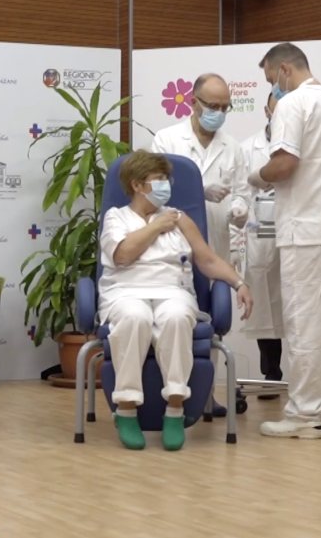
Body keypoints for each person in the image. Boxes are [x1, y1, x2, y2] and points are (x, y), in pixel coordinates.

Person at [100, 151, 253, 451]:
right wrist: (156, 226)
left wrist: (238, 282)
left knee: (177, 316)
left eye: (166, 179)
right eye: (158, 179)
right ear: (137, 185)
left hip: (173, 291)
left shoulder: (180, 219)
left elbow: (208, 260)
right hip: (125, 291)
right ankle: (126, 409)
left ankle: (175, 408)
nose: (166, 185)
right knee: (134, 317)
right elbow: (123, 255)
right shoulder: (116, 217)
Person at [248, 42, 321, 439]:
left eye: (270, 79)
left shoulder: (293, 104)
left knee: (304, 325)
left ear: (284, 70)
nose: (272, 88)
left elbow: (284, 163)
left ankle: (303, 414)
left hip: (307, 229)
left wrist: (256, 175)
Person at [151, 73, 241, 417]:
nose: (219, 113)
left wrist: (240, 210)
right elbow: (152, 190)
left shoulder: (232, 147)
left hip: (214, 241)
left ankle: (205, 395)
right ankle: (166, 393)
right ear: (193, 103)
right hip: (171, 244)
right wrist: (198, 191)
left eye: (225, 107)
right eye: (213, 106)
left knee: (212, 317)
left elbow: (242, 193)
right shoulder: (166, 139)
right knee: (171, 316)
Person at [231, 92, 283, 399]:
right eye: (278, 109)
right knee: (265, 303)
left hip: (299, 233)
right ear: (266, 110)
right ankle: (272, 373)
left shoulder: (308, 146)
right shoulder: (247, 149)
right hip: (259, 235)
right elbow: (239, 195)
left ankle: (309, 377)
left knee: (301, 304)